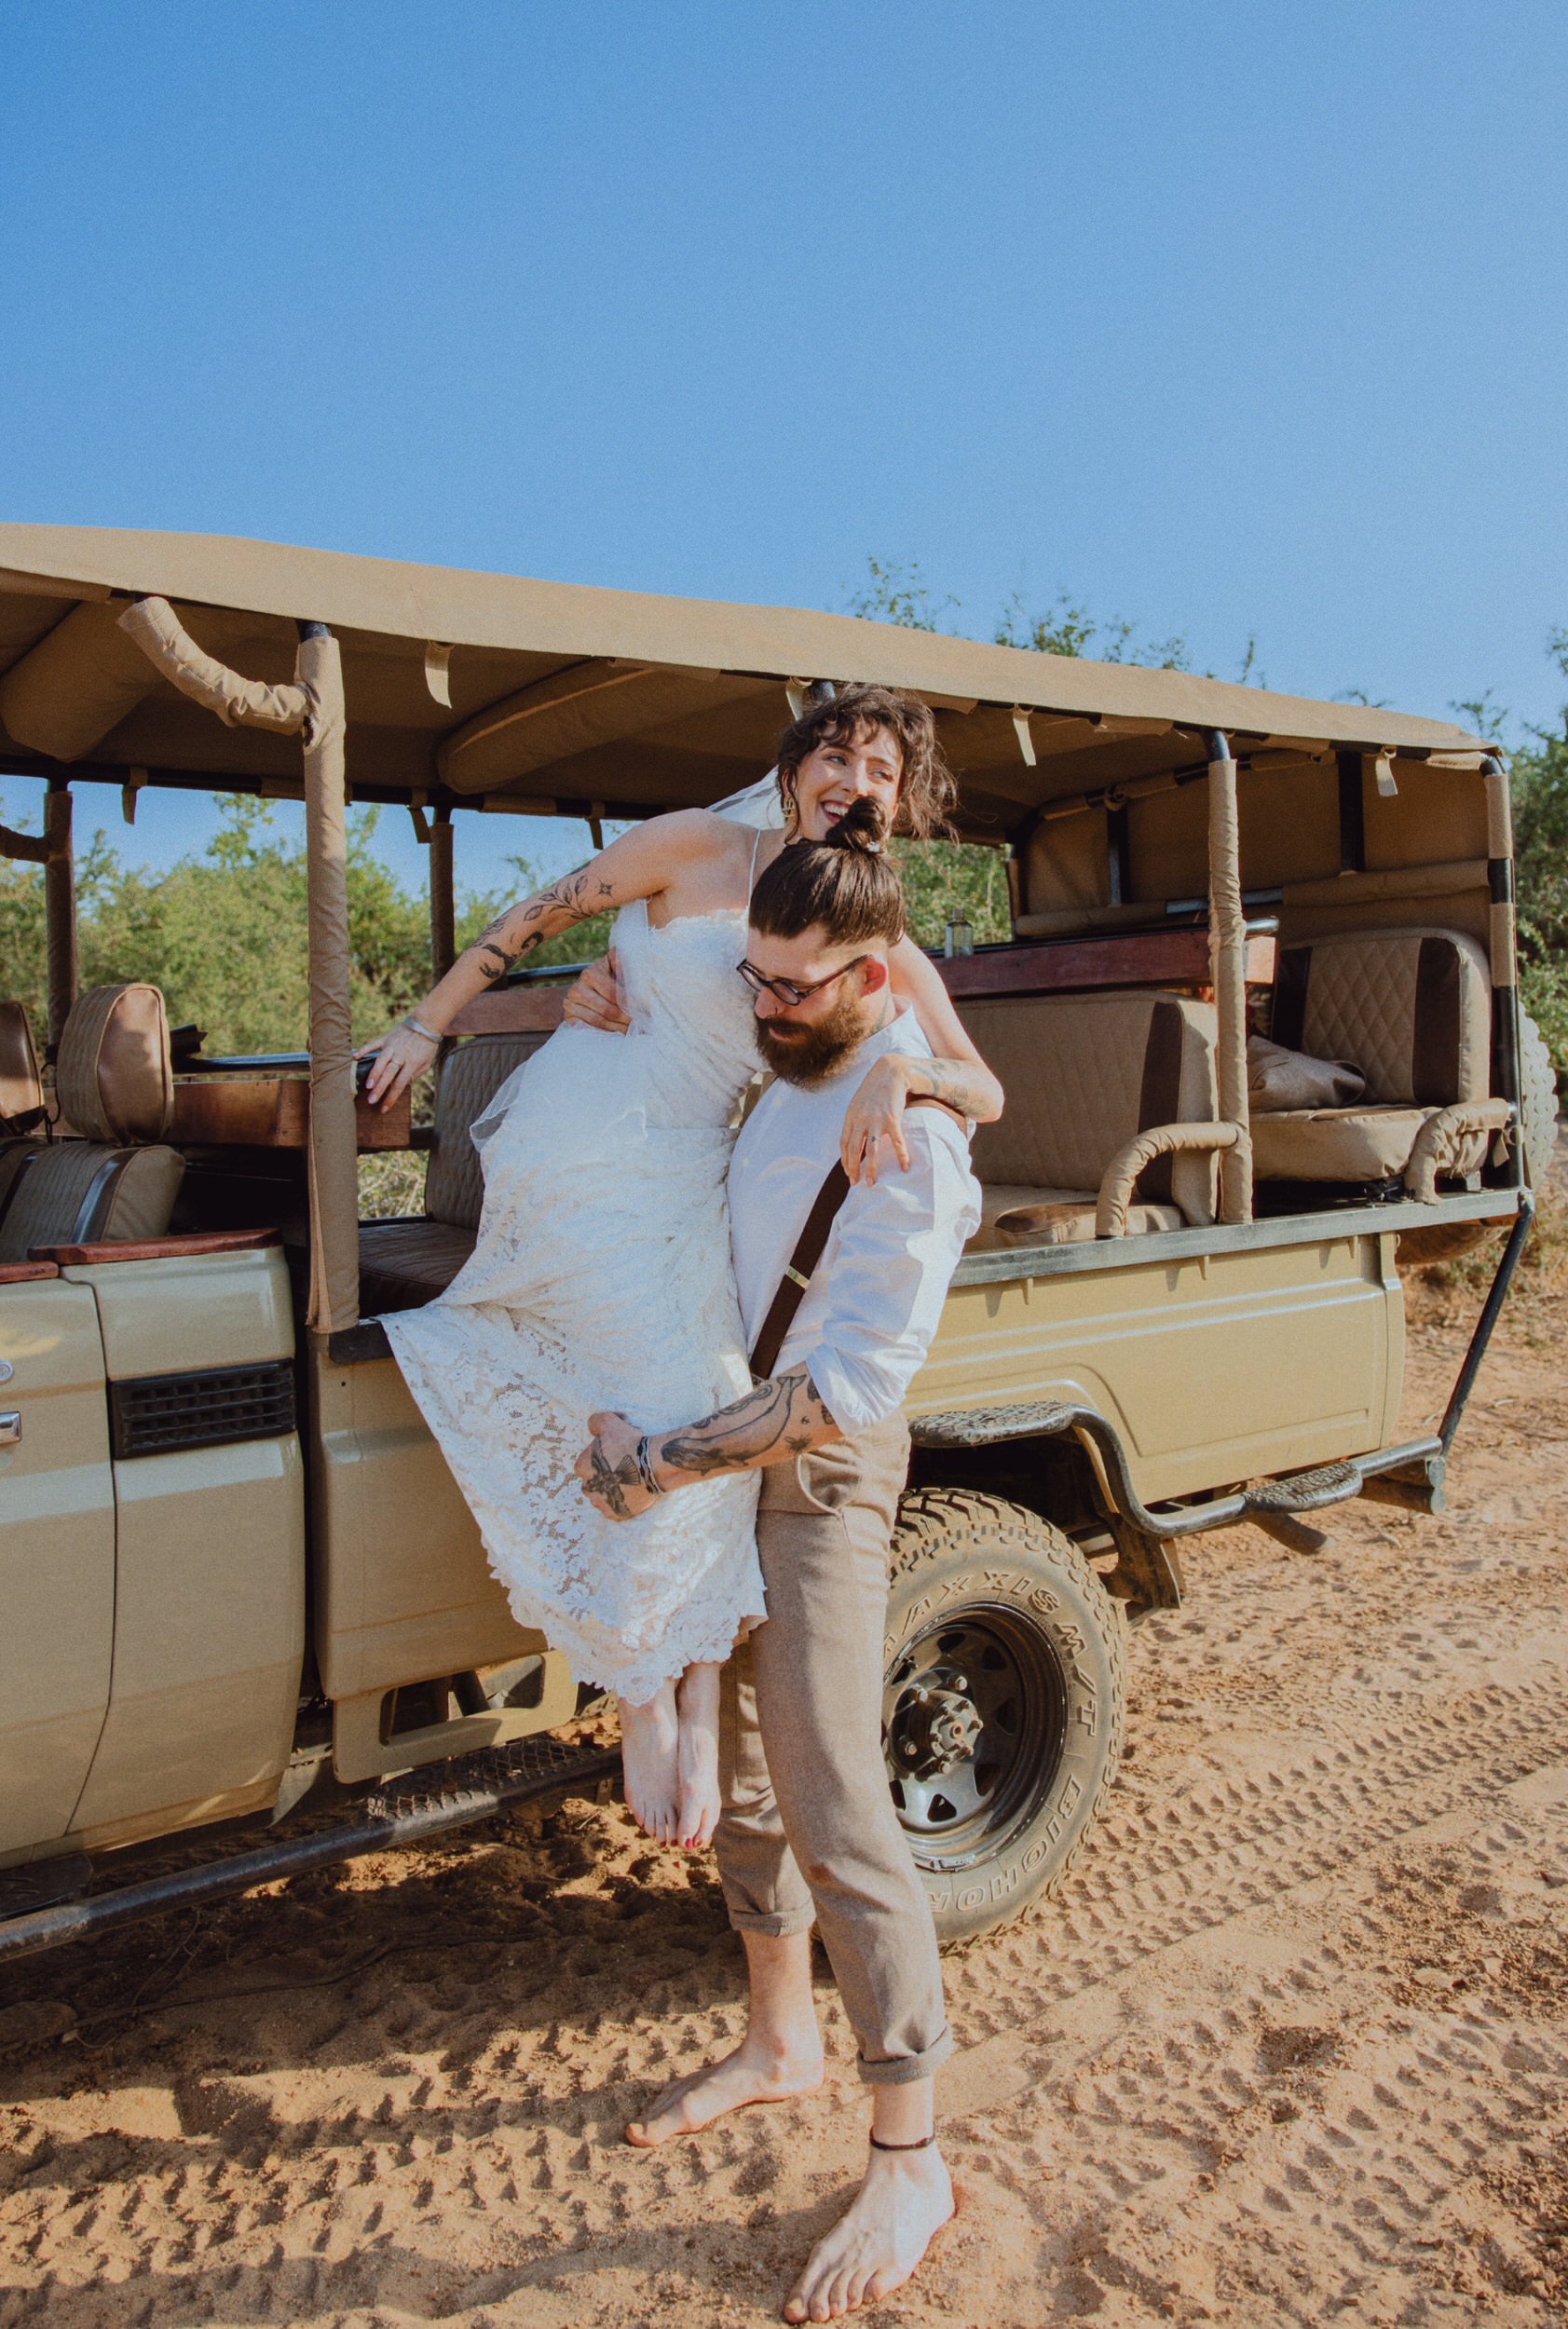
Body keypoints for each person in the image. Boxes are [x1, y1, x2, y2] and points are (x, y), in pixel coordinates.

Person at [358, 687, 1002, 1852]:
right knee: (669, 1379)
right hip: (593, 1133)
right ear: (794, 766)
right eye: (835, 753)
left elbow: (983, 1083)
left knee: (711, 1386)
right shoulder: (696, 846)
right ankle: (651, 1687)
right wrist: (428, 1025)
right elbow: (539, 914)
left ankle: (688, 1670)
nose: (854, 778)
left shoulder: (869, 928)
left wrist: (902, 1077)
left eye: (880, 768)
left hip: (702, 1171)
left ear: (893, 802)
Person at [577, 803, 978, 2323]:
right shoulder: (791, 1064)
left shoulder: (910, 1140)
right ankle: (777, 2041)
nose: (764, 1003)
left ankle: (911, 2146)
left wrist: (665, 1460)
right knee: (740, 1782)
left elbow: (842, 1390)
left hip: (809, 1474)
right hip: (709, 1438)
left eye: (792, 987)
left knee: (828, 1796)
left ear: (878, 976)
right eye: (754, 975)